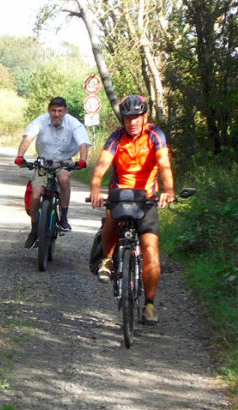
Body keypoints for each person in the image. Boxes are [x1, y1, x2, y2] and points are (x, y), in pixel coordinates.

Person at [89, 94, 176, 325]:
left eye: (136, 117)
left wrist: (168, 189)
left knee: (150, 248)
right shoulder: (116, 137)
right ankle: (107, 260)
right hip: (120, 195)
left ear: (144, 117)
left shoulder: (155, 135)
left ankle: (149, 304)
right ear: (123, 120)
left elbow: (164, 164)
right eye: (128, 118)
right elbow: (101, 166)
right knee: (111, 222)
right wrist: (96, 190)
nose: (132, 122)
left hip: (146, 198)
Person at [15, 96, 91, 248]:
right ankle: (34, 230)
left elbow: (83, 143)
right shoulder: (40, 121)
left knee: (64, 180)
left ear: (65, 111)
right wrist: (20, 156)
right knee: (35, 196)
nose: (56, 114)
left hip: (64, 161)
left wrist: (82, 160)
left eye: (60, 111)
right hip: (44, 161)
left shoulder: (73, 124)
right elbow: (28, 138)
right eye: (53, 110)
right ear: (49, 110)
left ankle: (63, 218)